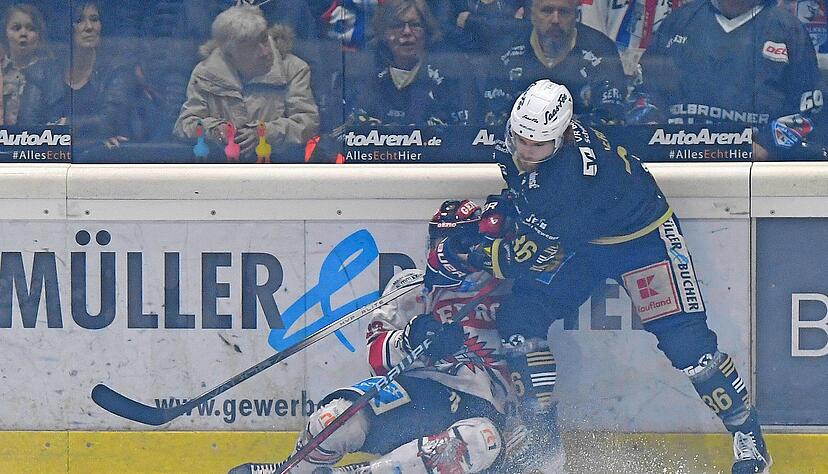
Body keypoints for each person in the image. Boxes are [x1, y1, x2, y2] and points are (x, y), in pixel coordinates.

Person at [454, 79, 771, 473]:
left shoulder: (571, 179)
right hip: (582, 242)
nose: (525, 151)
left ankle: (748, 435)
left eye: (538, 145)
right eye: (520, 139)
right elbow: (525, 196)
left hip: (642, 242)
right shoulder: (527, 146)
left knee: (688, 345)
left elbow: (518, 259)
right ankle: (544, 444)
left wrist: (466, 251)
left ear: (565, 136)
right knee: (520, 320)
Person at [230, 200, 528, 474]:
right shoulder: (410, 285)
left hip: (480, 407)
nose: (442, 250)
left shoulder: (510, 287)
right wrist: (411, 341)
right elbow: (377, 357)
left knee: (479, 440)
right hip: (418, 394)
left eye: (454, 242)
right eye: (436, 240)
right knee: (333, 419)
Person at [637, 0, 824, 160]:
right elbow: (643, 94)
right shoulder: (679, 22)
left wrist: (767, 148)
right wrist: (651, 134)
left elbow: (807, 113)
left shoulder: (789, 30)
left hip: (753, 167)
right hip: (678, 157)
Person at [174, 5, 320, 162]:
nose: (265, 51)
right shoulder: (205, 74)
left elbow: (308, 123)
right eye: (252, 47)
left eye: (264, 39)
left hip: (278, 170)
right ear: (230, 54)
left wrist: (265, 133)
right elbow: (185, 125)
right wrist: (215, 130)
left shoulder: (293, 69)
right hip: (220, 172)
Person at [479, 0, 627, 127]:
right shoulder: (506, 48)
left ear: (576, 15)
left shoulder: (601, 48)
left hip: (583, 147)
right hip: (523, 147)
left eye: (563, 12)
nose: (555, 19)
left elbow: (611, 116)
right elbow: (494, 114)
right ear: (532, 14)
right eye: (547, 11)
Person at [341, 0, 478, 127]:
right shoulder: (363, 76)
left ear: (427, 32)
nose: (406, 32)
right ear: (383, 34)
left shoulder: (449, 78)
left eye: (415, 25)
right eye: (397, 25)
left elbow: (461, 137)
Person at [1, 4, 52, 126]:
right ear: (5, 34)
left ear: (38, 35)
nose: (23, 33)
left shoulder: (51, 73)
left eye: (30, 28)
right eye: (16, 28)